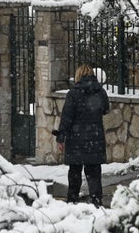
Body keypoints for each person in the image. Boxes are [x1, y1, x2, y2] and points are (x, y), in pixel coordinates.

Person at [55, 64, 110, 206]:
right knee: (94, 174)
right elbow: (105, 109)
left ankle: (72, 201)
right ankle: (96, 201)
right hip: (95, 138)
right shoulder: (100, 92)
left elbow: (67, 117)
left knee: (74, 172)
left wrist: (61, 137)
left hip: (76, 139)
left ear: (78, 76)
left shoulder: (73, 94)